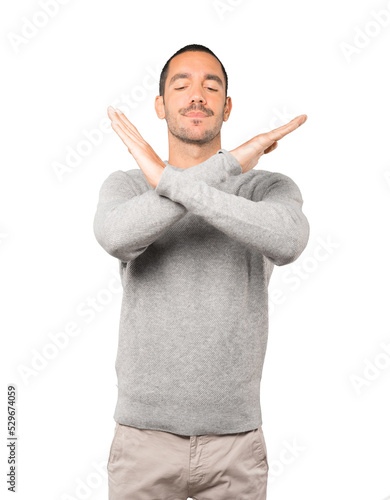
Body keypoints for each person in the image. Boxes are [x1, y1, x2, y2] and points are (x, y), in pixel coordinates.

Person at [93, 43, 310, 500]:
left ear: (227, 107)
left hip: (237, 444)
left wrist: (171, 176)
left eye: (211, 86)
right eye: (182, 85)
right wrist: (229, 161)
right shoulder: (129, 184)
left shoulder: (265, 187)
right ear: (160, 105)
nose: (198, 95)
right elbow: (116, 237)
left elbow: (289, 242)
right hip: (142, 440)